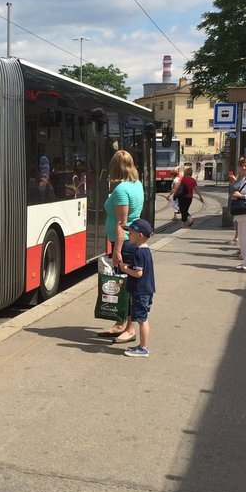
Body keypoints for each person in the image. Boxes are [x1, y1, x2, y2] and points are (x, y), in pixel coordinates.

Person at [99, 149, 144, 340]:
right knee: (126, 284)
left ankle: (128, 329)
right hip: (129, 241)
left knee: (124, 285)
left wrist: (116, 250)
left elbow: (121, 223)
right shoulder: (137, 184)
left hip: (124, 242)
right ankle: (123, 325)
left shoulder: (121, 190)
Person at [118, 218, 155, 357]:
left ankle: (144, 348)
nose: (128, 235)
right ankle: (141, 345)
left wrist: (125, 269)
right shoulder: (145, 250)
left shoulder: (138, 252)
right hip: (146, 289)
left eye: (131, 233)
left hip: (140, 291)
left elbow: (138, 273)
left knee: (142, 320)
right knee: (142, 318)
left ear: (139, 235)